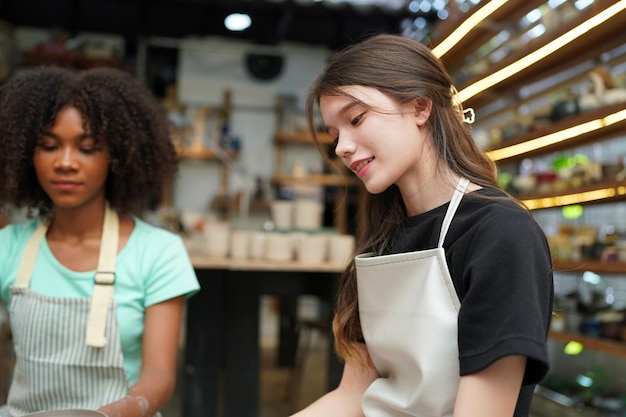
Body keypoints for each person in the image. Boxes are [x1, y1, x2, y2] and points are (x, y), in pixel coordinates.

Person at [294, 34, 554, 417]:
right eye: (334, 135)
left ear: (420, 107)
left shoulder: (501, 233)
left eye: (356, 119)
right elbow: (352, 398)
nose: (341, 147)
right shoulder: (382, 239)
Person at [0, 66, 200, 417]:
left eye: (87, 148)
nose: (65, 162)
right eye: (48, 146)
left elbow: (160, 373)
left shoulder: (158, 253)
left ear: (117, 157)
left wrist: (119, 411)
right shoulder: (8, 247)